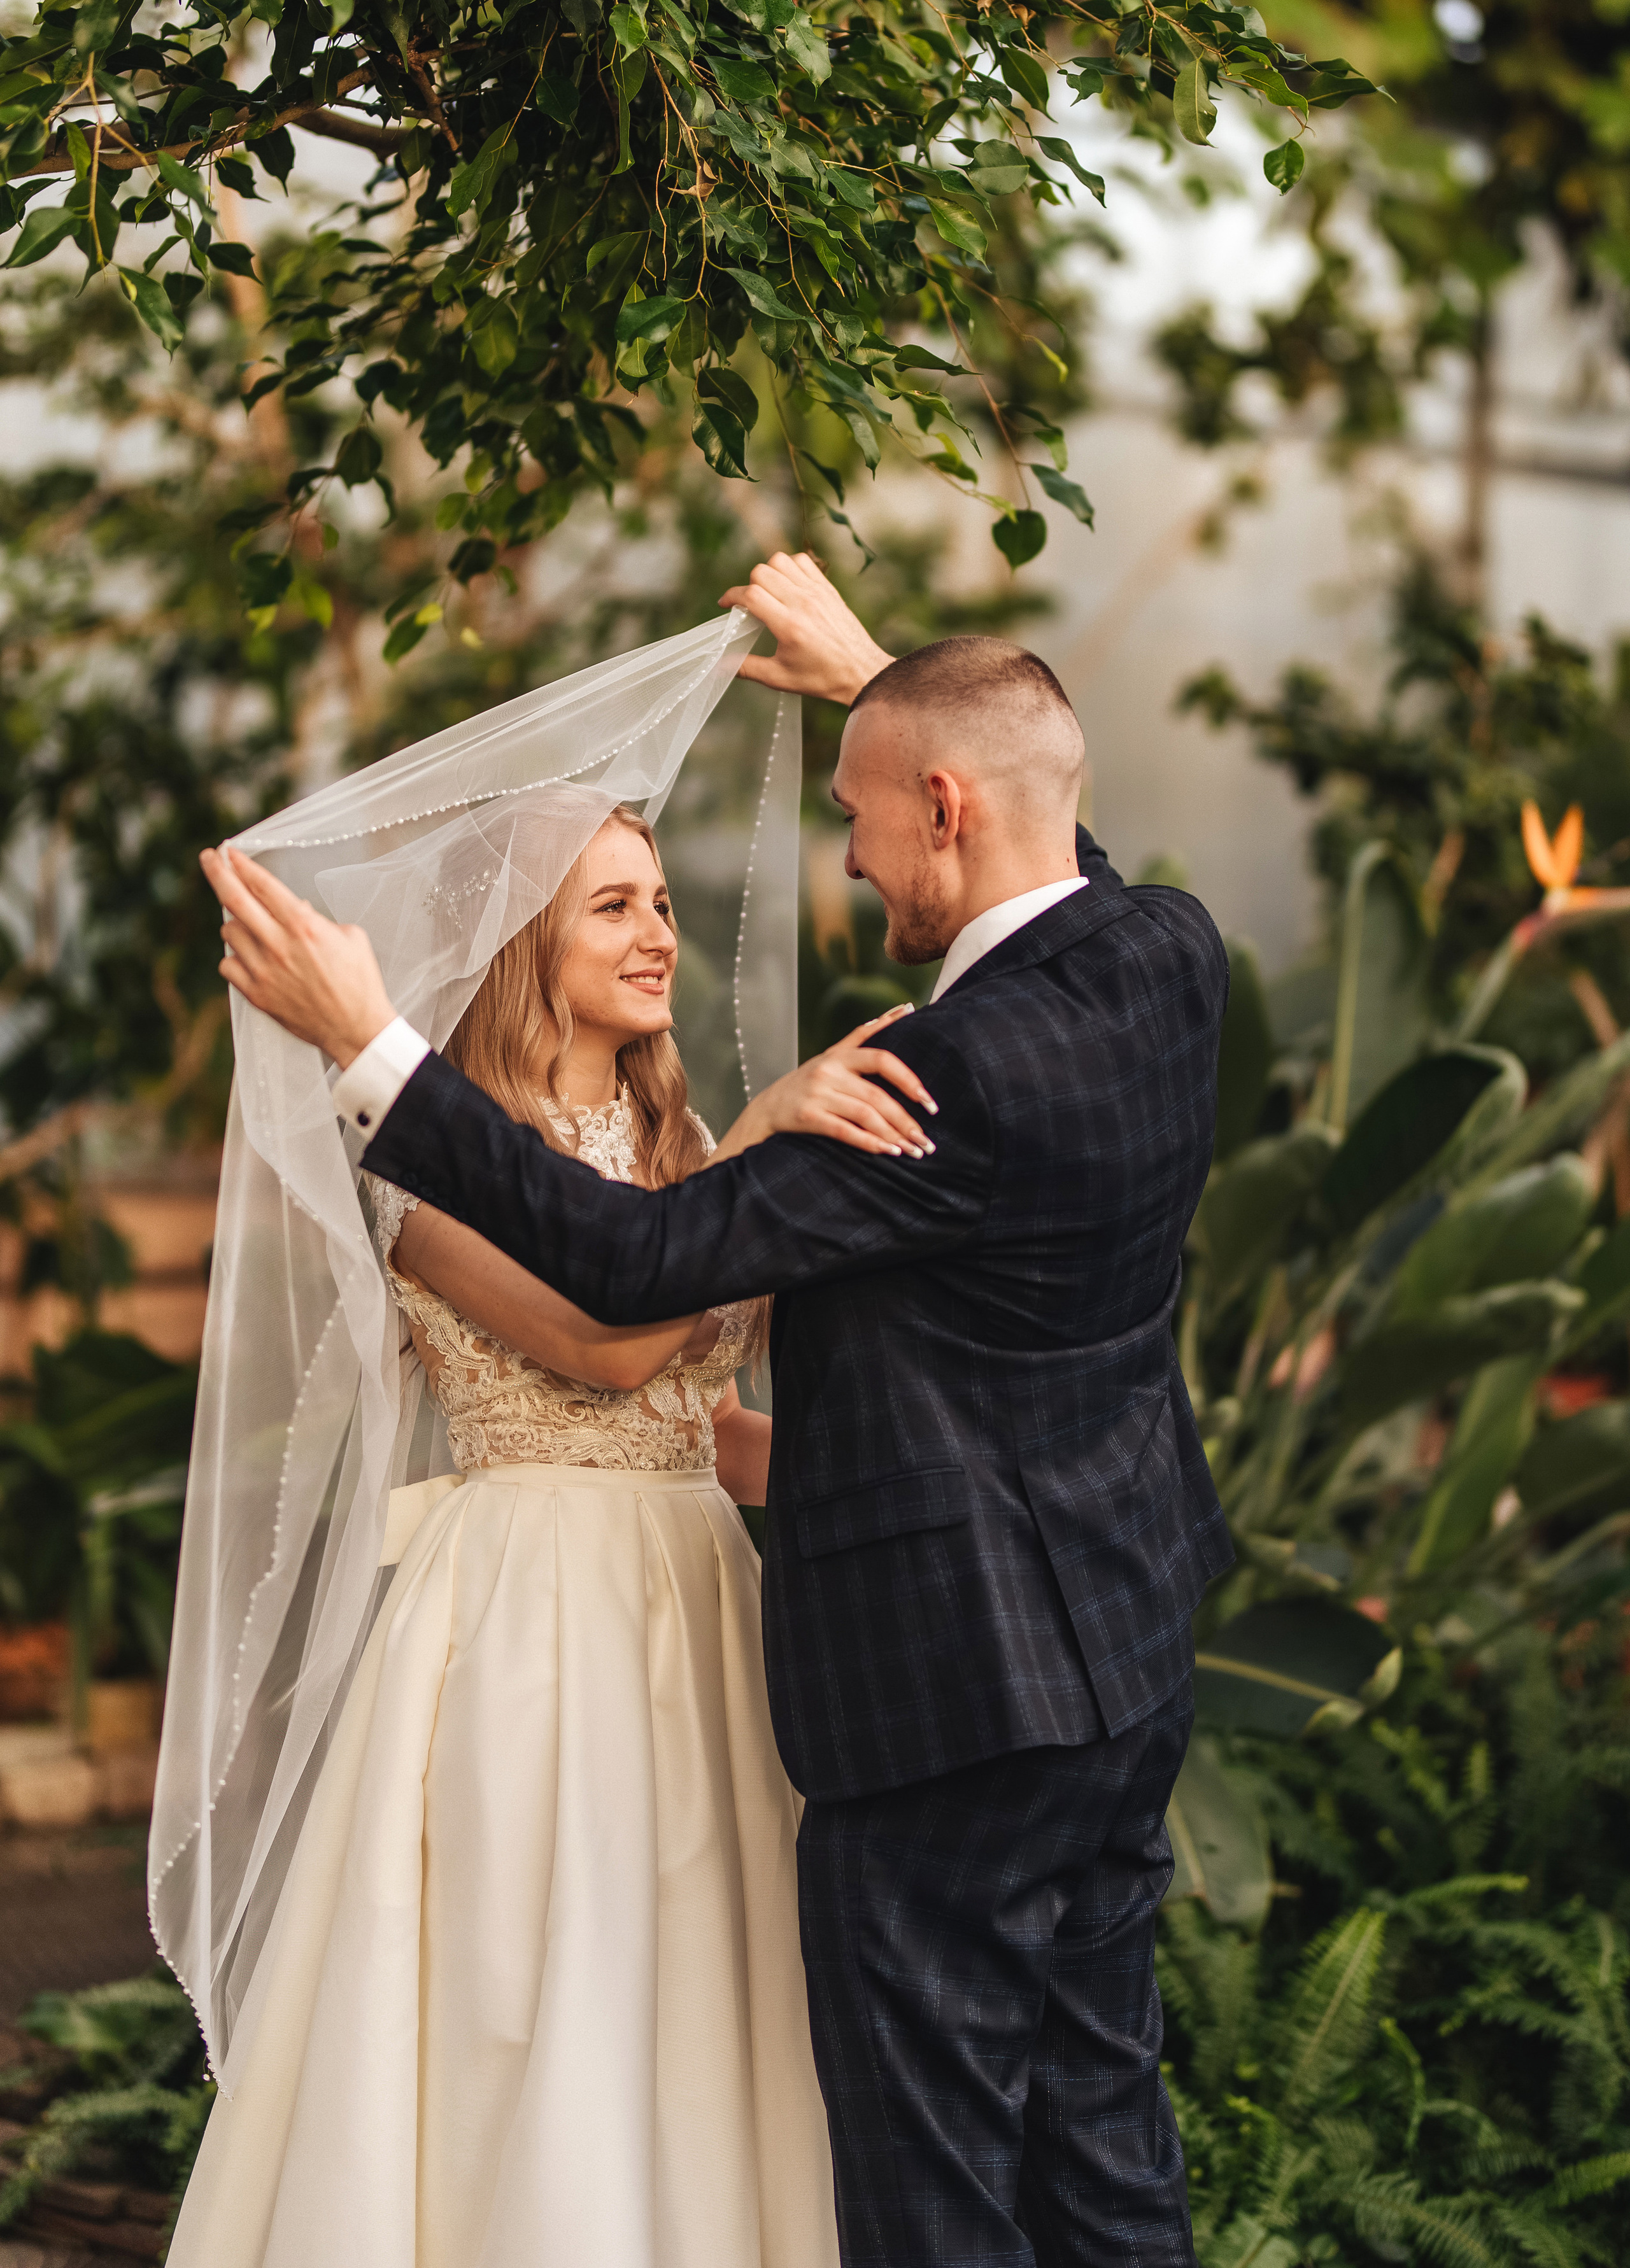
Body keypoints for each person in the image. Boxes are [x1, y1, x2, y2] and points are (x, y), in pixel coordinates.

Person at [202, 556, 1235, 2268]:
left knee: (939, 2188)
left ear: (942, 806)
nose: (848, 854)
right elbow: (1039, 840)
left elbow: (632, 1271)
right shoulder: (1166, 955)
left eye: (863, 813)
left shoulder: (937, 1078)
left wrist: (370, 1044)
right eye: (610, 904)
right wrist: (888, 697)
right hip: (1118, 1661)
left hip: (955, 1696)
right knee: (1097, 2134)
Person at [171, 797, 923, 2268]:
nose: (656, 936)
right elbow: (609, 1347)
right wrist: (764, 1140)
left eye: (660, 902)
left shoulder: (675, 1140)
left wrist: (897, 1495)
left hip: (698, 1604)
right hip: (531, 1614)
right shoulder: (424, 1164)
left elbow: (697, 1423)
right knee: (540, 1977)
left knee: (699, 1983)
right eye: (611, 907)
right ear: (522, 943)